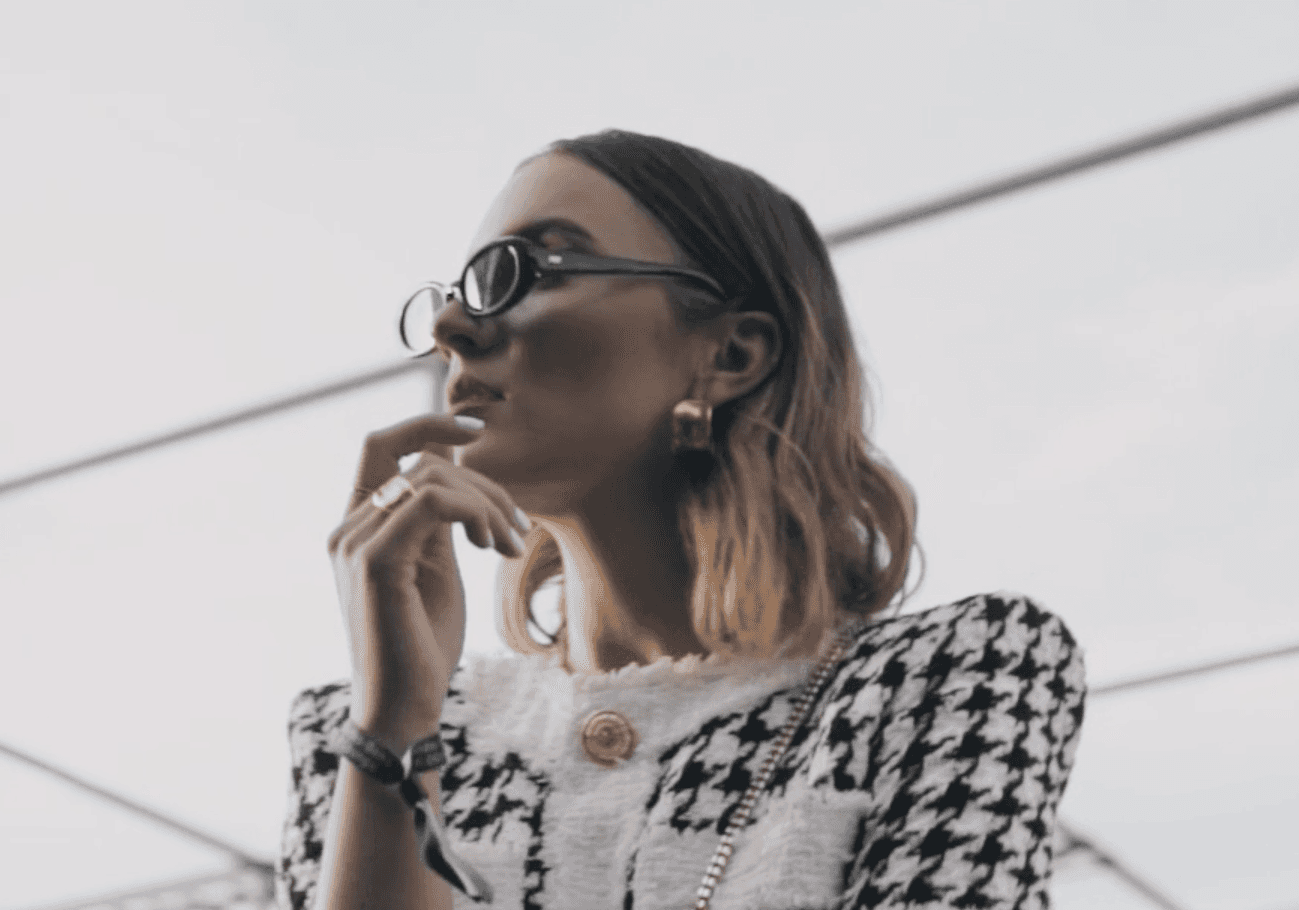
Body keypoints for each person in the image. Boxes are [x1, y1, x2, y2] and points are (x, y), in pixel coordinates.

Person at [276, 130, 1087, 910]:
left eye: (521, 269)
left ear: (730, 355)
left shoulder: (949, 676)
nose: (453, 328)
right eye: (455, 292)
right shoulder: (353, 733)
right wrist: (390, 737)